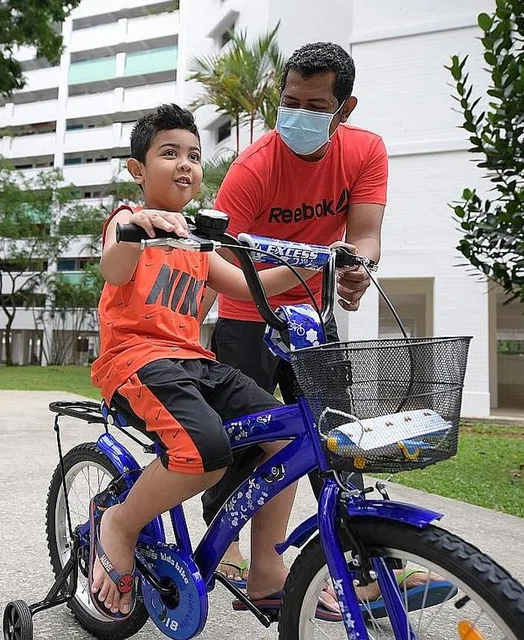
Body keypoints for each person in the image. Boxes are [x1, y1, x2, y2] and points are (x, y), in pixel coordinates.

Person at [87, 104, 347, 620]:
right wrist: (139, 226)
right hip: (138, 363)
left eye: (194, 155)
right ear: (138, 170)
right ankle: (119, 523)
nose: (185, 164)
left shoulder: (198, 245)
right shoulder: (126, 221)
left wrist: (319, 258)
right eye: (169, 153)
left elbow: (255, 286)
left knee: (290, 434)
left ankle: (267, 570)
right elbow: (114, 268)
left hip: (194, 363)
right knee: (206, 452)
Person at [198, 41, 388, 588]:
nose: (297, 114)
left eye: (313, 105)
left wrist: (358, 269)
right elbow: (217, 266)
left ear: (344, 109)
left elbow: (366, 236)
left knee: (336, 436)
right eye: (290, 101)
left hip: (310, 315)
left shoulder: (365, 151)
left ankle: (360, 556)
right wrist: (182, 335)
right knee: (242, 434)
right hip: (246, 313)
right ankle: (227, 542)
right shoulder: (253, 168)